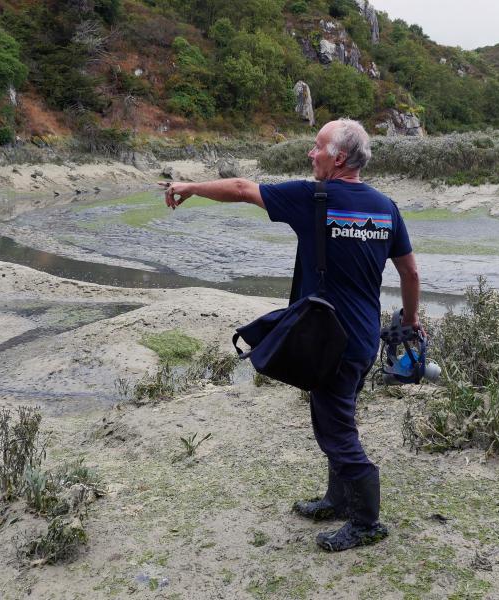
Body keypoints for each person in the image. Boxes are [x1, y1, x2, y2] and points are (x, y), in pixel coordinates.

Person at [161, 118, 420, 551]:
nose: (309, 154)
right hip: (362, 337)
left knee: (336, 431)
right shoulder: (384, 206)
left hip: (326, 339)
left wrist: (191, 186)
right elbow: (410, 272)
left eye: (316, 147)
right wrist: (409, 322)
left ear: (338, 158)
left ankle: (366, 522)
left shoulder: (313, 197)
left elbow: (244, 189)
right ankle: (337, 499)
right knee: (338, 415)